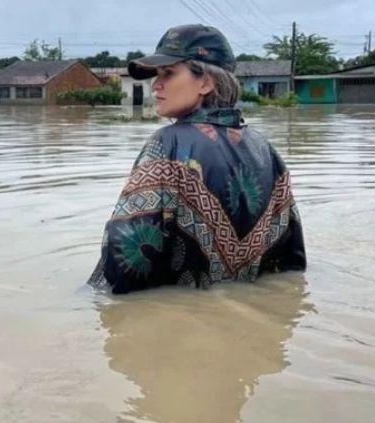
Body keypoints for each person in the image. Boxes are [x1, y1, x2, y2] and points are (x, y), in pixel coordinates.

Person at [88, 24, 306, 294]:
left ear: (205, 82)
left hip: (177, 329)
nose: (156, 84)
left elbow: (124, 265)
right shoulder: (266, 150)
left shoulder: (167, 145)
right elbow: (291, 263)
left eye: (168, 73)